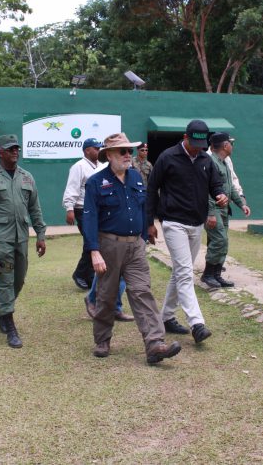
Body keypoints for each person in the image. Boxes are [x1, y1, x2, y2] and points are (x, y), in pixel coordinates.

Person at [82, 132, 181, 365]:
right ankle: (102, 340)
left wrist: (148, 228)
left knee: (141, 292)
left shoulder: (136, 177)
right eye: (123, 151)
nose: (129, 155)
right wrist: (94, 251)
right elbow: (89, 218)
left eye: (130, 151)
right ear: (109, 155)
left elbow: (144, 205)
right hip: (108, 245)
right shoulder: (96, 182)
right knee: (106, 296)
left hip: (135, 245)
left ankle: (155, 343)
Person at [146, 120, 228, 344]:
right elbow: (152, 189)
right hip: (173, 223)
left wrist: (220, 195)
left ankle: (166, 316)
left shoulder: (206, 160)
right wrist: (149, 222)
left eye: (201, 145)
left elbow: (216, 184)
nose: (197, 148)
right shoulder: (167, 157)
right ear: (185, 137)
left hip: (196, 223)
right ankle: (197, 323)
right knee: (184, 273)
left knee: (180, 271)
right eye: (193, 143)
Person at [0, 134, 47, 349]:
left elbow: (35, 208)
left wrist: (40, 234)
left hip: (21, 236)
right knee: (5, 279)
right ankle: (10, 327)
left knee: (19, 279)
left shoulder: (27, 177)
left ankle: (1, 312)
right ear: (0, 152)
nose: (15, 151)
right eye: (10, 149)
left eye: (17, 148)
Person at [201, 132, 251, 288]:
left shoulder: (224, 162)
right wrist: (210, 213)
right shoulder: (210, 162)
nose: (232, 146)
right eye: (231, 143)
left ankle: (217, 275)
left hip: (223, 208)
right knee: (219, 239)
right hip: (213, 208)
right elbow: (205, 190)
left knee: (224, 241)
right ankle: (208, 275)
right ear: (224, 145)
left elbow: (230, 189)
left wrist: (241, 204)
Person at [62, 138, 105, 290]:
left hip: (98, 209)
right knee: (91, 241)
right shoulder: (78, 166)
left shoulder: (102, 166)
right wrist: (69, 208)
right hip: (82, 209)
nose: (99, 151)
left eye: (100, 148)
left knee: (96, 241)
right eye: (96, 148)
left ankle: (89, 275)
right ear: (87, 150)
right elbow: (72, 188)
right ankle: (80, 274)